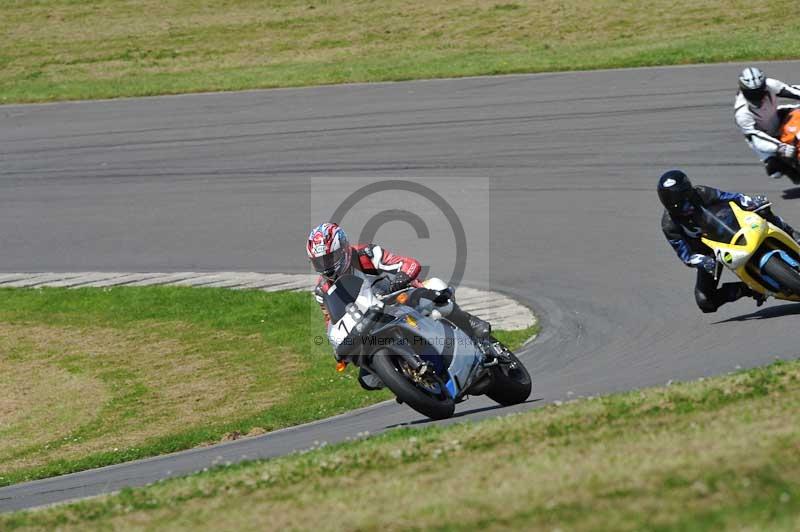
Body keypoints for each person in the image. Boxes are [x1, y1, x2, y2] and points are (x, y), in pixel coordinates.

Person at [306, 222, 491, 389]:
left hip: (400, 298)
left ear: (344, 249)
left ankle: (473, 330)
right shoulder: (322, 290)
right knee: (368, 379)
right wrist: (338, 347)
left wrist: (401, 279)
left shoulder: (366, 255)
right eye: (319, 262)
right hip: (370, 322)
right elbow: (331, 321)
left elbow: (408, 264)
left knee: (436, 288)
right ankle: (408, 381)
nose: (326, 266)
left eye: (330, 258)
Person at [658, 169, 800, 313]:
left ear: (689, 191)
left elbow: (731, 197)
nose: (684, 207)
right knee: (705, 301)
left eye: (685, 199)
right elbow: (685, 254)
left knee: (763, 210)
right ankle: (749, 289)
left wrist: (750, 201)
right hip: (711, 253)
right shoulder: (669, 225)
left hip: (732, 227)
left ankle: (793, 234)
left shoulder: (701, 192)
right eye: (675, 203)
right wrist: (701, 261)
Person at [734, 66, 800, 178]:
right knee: (775, 172)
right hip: (764, 138)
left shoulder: (770, 84)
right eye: (751, 93)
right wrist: (779, 147)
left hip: (779, 117)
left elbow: (792, 91)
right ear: (742, 90)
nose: (756, 96)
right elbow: (756, 138)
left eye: (759, 91)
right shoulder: (742, 113)